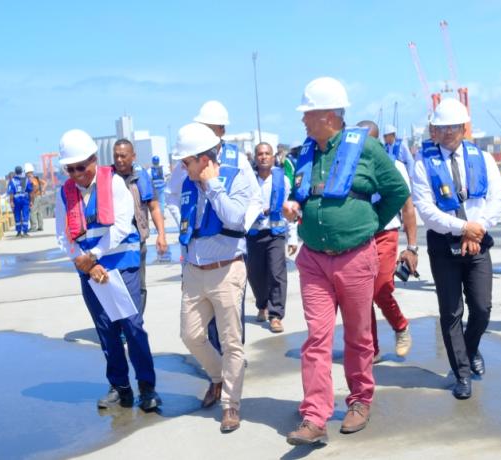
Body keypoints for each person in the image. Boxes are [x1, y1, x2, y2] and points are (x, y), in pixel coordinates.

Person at [283, 77, 409, 445]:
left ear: (329, 115)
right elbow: (299, 193)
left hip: (355, 257)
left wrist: (370, 225)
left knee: (358, 336)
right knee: (317, 339)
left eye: (308, 113)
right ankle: (314, 415)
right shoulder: (305, 152)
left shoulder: (366, 149)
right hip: (313, 261)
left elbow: (397, 191)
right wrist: (293, 205)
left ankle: (359, 400)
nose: (303, 120)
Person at [54, 129, 160, 413]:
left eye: (82, 167)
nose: (77, 174)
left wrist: (94, 256)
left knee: (132, 326)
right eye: (70, 168)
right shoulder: (63, 193)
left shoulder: (113, 183)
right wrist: (84, 261)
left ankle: (147, 387)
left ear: (93, 160)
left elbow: (123, 225)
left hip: (120, 264)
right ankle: (120, 388)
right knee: (106, 330)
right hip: (90, 270)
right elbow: (62, 236)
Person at [411, 99, 501, 400]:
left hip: (478, 239)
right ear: (434, 131)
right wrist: (462, 228)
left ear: (464, 128)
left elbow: (497, 199)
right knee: (451, 312)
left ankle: (471, 347)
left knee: (481, 307)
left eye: (454, 127)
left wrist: (477, 228)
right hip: (444, 243)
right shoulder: (422, 164)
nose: (449, 132)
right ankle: (462, 374)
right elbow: (426, 209)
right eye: (442, 128)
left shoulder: (484, 159)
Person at [170, 122, 256, 433]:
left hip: (226, 268)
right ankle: (220, 376)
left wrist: (212, 186)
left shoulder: (236, 175)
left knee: (232, 340)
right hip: (194, 270)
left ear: (204, 160)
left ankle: (230, 405)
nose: (183, 167)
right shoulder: (184, 180)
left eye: (187, 162)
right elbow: (172, 203)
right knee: (190, 335)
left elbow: (236, 218)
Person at [357, 120, 417, 360]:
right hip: (359, 235)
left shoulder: (395, 166)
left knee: (380, 289)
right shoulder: (348, 165)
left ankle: (400, 326)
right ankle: (371, 348)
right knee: (361, 294)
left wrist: (412, 247)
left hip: (385, 233)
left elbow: (408, 208)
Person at [112, 139, 169, 315]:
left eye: (123, 156)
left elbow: (154, 206)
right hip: (113, 243)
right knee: (116, 286)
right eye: (116, 156)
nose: (119, 160)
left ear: (133, 156)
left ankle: (136, 322)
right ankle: (121, 324)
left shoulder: (142, 177)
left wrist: (161, 235)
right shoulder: (106, 179)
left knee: (139, 285)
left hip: (138, 241)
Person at [247, 142, 297, 334]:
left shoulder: (282, 180)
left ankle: (276, 315)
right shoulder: (248, 181)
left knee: (277, 273)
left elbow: (289, 208)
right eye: (260, 154)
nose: (264, 157)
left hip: (275, 233)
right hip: (253, 234)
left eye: (267, 153)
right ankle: (262, 305)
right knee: (255, 274)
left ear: (273, 156)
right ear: (255, 157)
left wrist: (292, 237)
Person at [8, 165, 33, 237]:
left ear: (15, 172)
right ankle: (25, 232)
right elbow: (30, 192)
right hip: (25, 199)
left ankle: (18, 232)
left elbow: (11, 193)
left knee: (17, 215)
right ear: (22, 171)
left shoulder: (12, 181)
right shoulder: (26, 180)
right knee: (25, 215)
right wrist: (31, 201)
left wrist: (11, 202)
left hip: (16, 200)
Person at [25, 162, 47, 232]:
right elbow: (45, 183)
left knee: (32, 211)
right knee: (39, 212)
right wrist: (43, 189)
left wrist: (32, 194)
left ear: (27, 172)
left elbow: (35, 186)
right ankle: (40, 226)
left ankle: (33, 227)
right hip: (39, 196)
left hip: (35, 197)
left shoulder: (31, 179)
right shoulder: (36, 178)